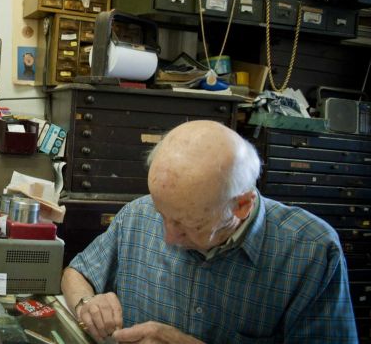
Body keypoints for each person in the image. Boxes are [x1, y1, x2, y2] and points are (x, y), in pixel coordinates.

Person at [61, 120, 357, 343]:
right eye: (162, 214)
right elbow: (77, 274)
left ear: (241, 206)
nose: (168, 237)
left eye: (189, 225)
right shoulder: (138, 215)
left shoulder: (311, 252)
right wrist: (87, 304)